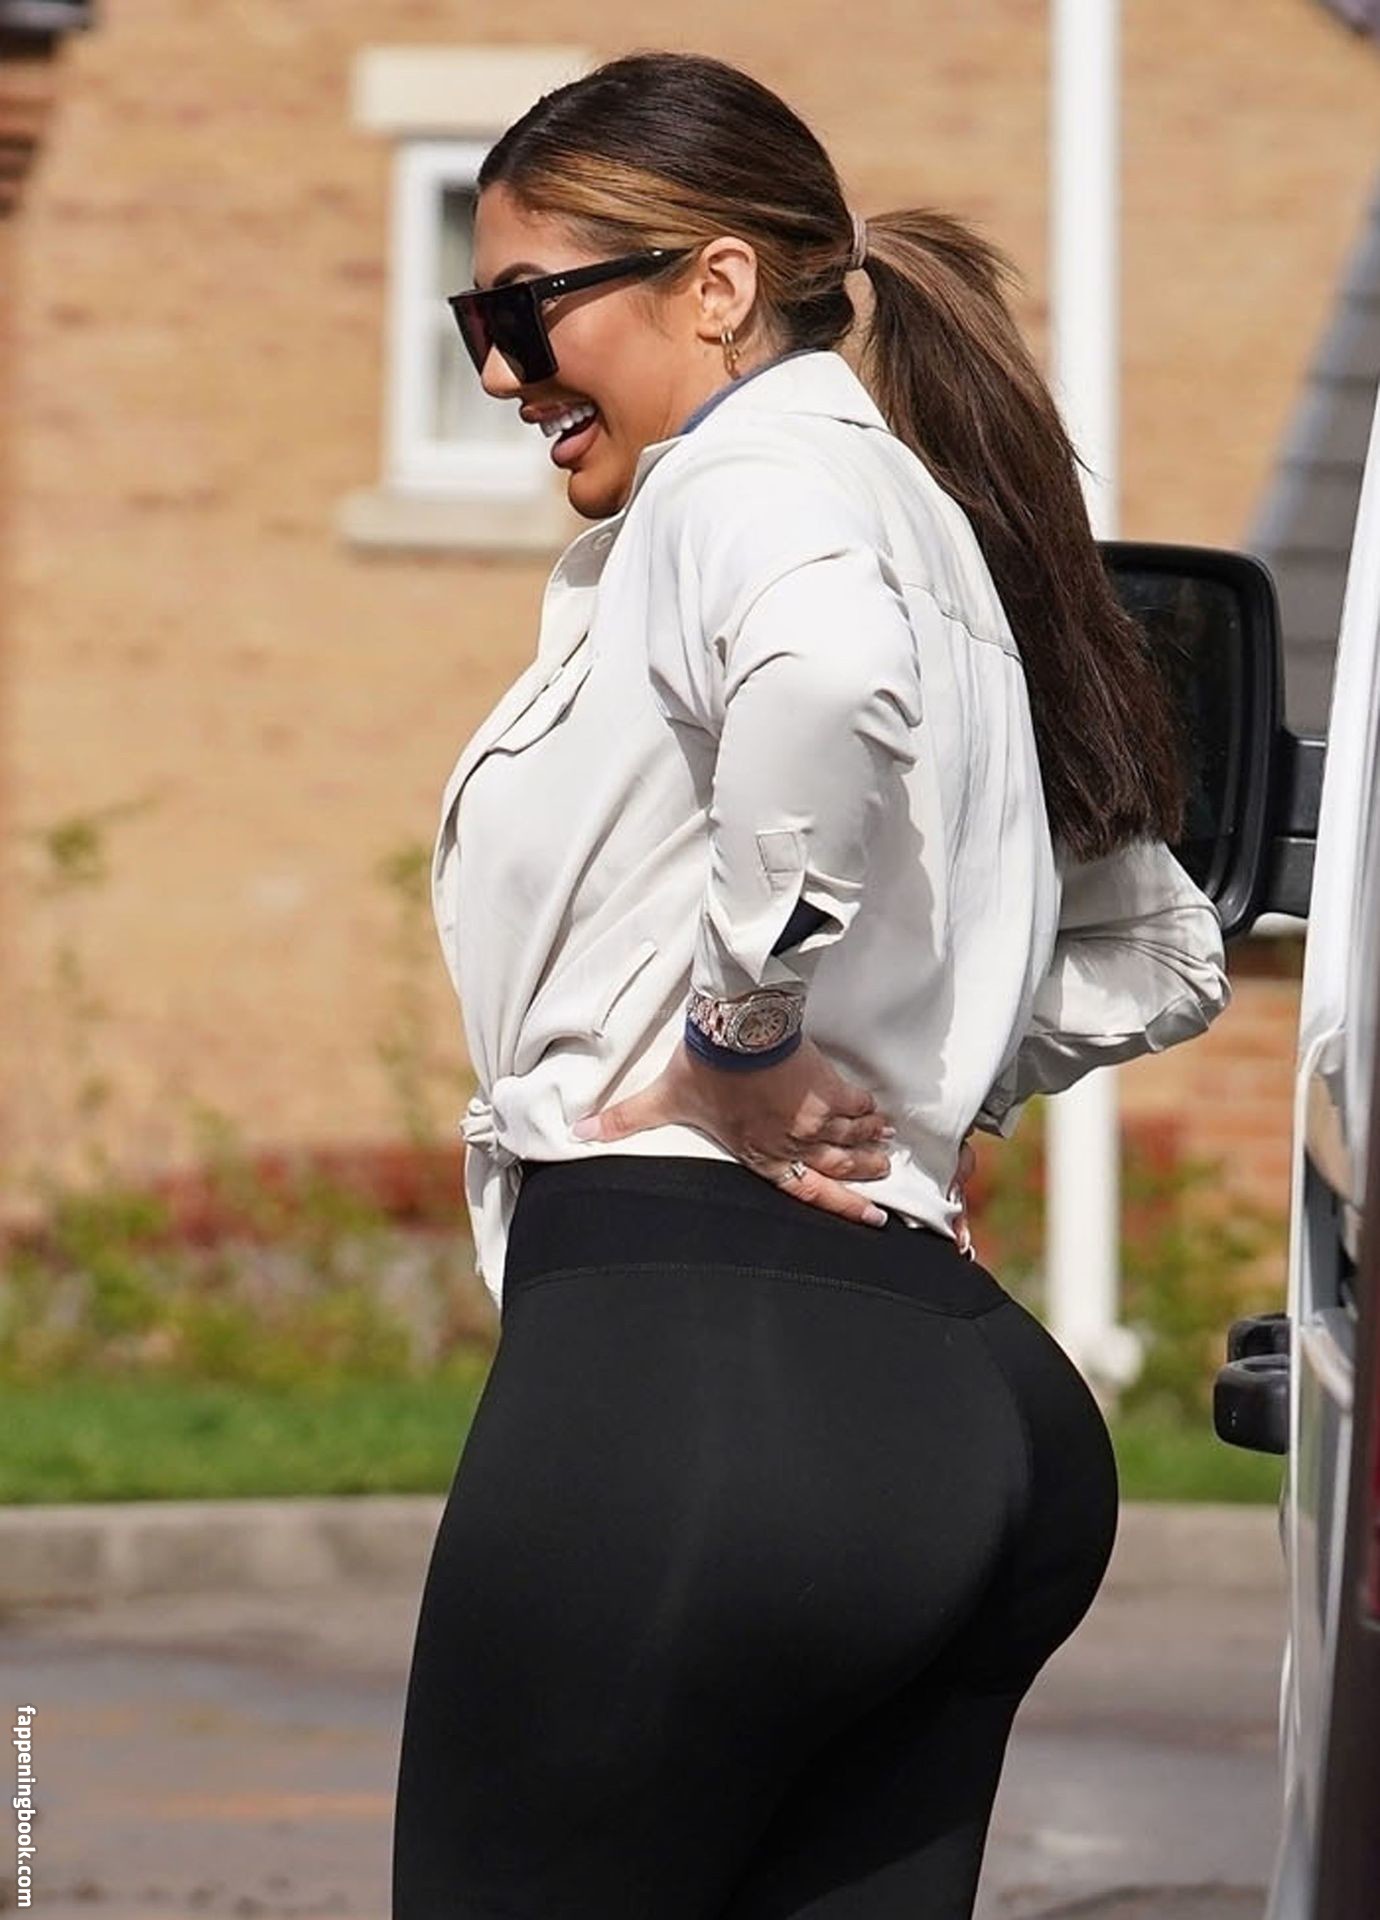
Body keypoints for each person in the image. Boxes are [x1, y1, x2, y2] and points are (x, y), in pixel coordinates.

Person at [392, 48, 1231, 1920]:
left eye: (525, 310)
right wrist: (911, 1083)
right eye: (475, 321)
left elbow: (827, 680)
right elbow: (1162, 948)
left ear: (716, 287)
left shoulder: (742, 477)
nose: (503, 372)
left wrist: (744, 1038)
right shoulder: (940, 532)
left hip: (701, 1384)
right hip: (956, 1398)